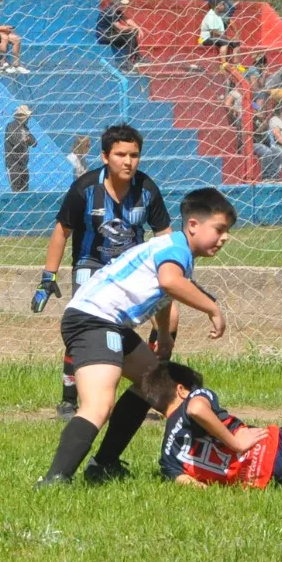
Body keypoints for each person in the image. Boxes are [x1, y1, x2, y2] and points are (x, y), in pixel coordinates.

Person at [36, 188, 237, 487]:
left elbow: (163, 290)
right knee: (98, 403)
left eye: (227, 232)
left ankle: (103, 465)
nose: (224, 238)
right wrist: (213, 308)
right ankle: (54, 480)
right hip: (94, 319)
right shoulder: (177, 248)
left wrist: (165, 337)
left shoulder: (175, 248)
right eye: (219, 229)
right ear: (193, 225)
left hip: (109, 322)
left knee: (157, 385)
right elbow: (170, 282)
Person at [31, 124, 173, 420]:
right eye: (121, 154)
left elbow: (164, 237)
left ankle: (147, 395)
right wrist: (48, 277)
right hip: (91, 265)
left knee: (158, 325)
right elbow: (62, 231)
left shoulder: (147, 190)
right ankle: (69, 400)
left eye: (134, 155)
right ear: (105, 156)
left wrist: (168, 278)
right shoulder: (85, 188)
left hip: (132, 270)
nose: (128, 161)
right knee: (85, 329)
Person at [141, 361, 282, 488]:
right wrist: (236, 443)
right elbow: (196, 408)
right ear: (181, 389)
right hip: (279, 448)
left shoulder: (166, 457)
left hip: (265, 480)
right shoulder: (192, 399)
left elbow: (188, 484)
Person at [96, 0, 142, 70]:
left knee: (132, 33)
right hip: (105, 36)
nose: (124, 6)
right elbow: (120, 27)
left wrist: (138, 27)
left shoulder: (117, 11)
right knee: (131, 34)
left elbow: (128, 20)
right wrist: (134, 29)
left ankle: (136, 57)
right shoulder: (109, 11)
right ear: (116, 3)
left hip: (112, 34)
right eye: (122, 3)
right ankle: (131, 60)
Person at [4, 105, 36, 192]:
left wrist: (28, 139)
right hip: (14, 163)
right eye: (27, 117)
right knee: (16, 188)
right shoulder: (11, 126)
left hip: (23, 163)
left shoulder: (25, 128)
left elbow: (34, 142)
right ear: (22, 116)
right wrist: (24, 140)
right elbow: (15, 142)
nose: (29, 119)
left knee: (25, 187)